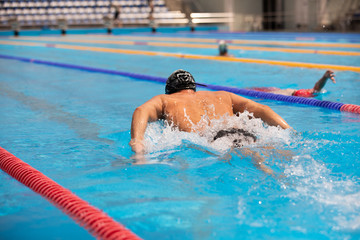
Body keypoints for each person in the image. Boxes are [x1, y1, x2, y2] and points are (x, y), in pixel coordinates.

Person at [129, 69, 291, 155]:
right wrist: (289, 131)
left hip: (213, 142)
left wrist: (137, 140)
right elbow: (263, 109)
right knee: (260, 159)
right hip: (245, 133)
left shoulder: (165, 100)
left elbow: (140, 110)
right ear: (193, 87)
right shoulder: (223, 95)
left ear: (169, 91)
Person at [249, 70, 336, 97]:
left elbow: (316, 88)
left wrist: (324, 77)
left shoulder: (301, 93)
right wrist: (324, 78)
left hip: (279, 92)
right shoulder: (305, 93)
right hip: (278, 91)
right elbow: (316, 88)